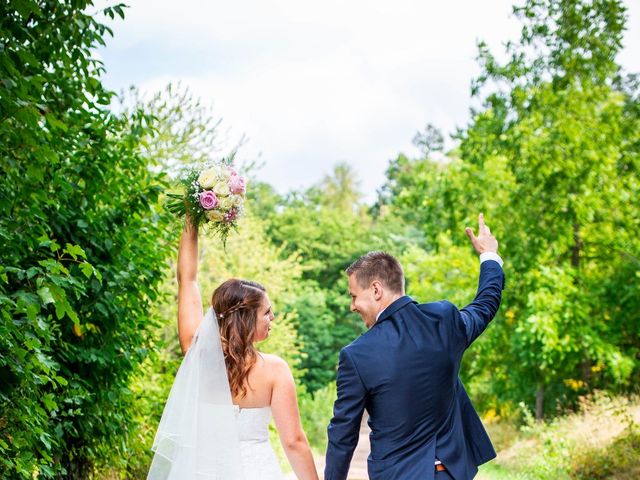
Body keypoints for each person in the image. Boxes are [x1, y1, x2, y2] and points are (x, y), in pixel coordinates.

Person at [325, 213, 505, 480]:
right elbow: (485, 304)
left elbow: (343, 434)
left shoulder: (356, 355)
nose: (352, 306)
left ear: (376, 290)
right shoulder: (444, 320)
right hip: (450, 473)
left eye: (354, 296)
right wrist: (489, 256)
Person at [148, 221, 319, 480]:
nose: (273, 317)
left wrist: (191, 219)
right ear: (247, 318)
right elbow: (293, 441)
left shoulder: (198, 356)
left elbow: (187, 279)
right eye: (267, 312)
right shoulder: (275, 371)